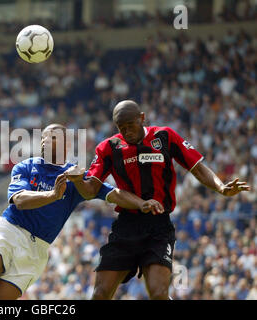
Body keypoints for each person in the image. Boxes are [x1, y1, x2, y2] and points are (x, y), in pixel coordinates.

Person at [0, 123, 164, 300]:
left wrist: (141, 203)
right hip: (9, 231)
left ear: (66, 144)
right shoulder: (25, 167)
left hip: (37, 250)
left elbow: (113, 193)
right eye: (43, 137)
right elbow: (20, 200)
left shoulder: (76, 178)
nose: (45, 140)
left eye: (52, 136)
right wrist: (52, 195)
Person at [65, 100, 251, 300]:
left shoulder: (165, 136)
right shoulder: (109, 147)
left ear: (142, 118)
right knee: (100, 294)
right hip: (127, 226)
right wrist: (76, 180)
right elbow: (90, 190)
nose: (127, 131)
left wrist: (221, 187)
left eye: (131, 125)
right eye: (122, 128)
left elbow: (196, 167)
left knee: (159, 293)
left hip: (159, 226)